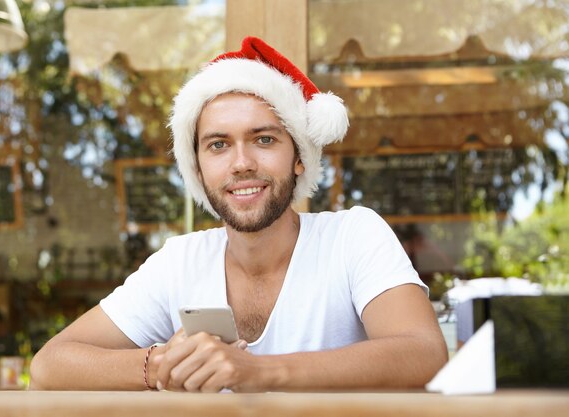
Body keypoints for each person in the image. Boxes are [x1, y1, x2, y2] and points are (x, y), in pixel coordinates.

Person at [30, 37, 447, 392]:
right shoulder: (180, 262)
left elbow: (424, 353)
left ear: (299, 157)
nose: (241, 163)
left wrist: (260, 372)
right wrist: (159, 365)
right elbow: (49, 365)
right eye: (218, 145)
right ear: (197, 168)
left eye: (263, 139)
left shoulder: (352, 236)